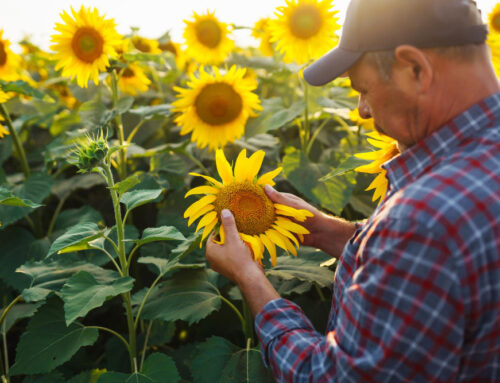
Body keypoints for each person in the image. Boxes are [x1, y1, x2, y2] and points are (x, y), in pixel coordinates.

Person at [206, 0, 500, 381]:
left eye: (363, 88)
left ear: (415, 69)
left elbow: (335, 376)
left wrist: (250, 278)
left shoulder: (425, 219)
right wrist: (339, 232)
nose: (361, 110)